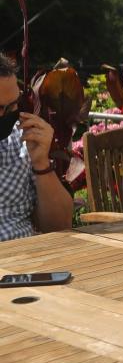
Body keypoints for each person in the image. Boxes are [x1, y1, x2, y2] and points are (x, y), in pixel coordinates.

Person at [0, 54, 73, 241]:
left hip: (28, 261)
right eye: (0, 108)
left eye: (14, 105)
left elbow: (60, 226)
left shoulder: (21, 140)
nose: (9, 115)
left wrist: (41, 162)